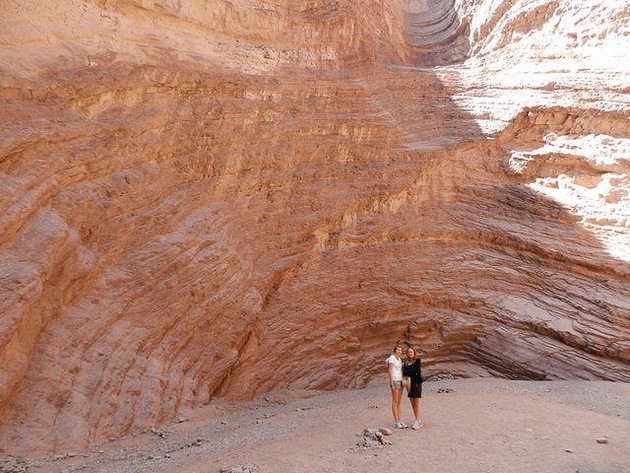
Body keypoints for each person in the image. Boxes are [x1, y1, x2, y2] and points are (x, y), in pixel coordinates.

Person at [403, 346, 423, 430]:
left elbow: (417, 371)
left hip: (416, 383)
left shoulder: (417, 361)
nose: (410, 353)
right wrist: (411, 372)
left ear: (414, 353)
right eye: (408, 352)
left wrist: (409, 372)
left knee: (417, 402)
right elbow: (405, 372)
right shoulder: (406, 363)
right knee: (412, 402)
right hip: (409, 384)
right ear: (407, 354)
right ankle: (417, 420)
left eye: (411, 352)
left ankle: (418, 421)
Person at [386, 344, 406, 429]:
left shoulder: (399, 359)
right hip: (394, 380)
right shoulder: (392, 358)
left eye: (401, 350)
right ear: (395, 351)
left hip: (400, 380)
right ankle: (397, 421)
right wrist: (391, 382)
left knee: (399, 402)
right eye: (398, 350)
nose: (399, 351)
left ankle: (400, 420)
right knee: (395, 401)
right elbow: (390, 370)